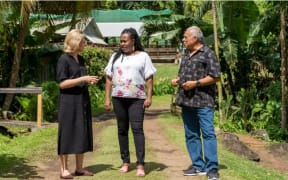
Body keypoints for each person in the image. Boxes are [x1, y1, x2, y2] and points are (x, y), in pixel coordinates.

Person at [104, 27, 156, 177]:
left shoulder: (143, 56)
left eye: (125, 41)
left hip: (137, 99)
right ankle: (125, 162)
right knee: (122, 130)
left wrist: (149, 97)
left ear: (133, 40)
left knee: (137, 129)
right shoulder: (114, 56)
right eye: (120, 41)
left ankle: (140, 164)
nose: (122, 44)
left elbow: (149, 78)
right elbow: (108, 78)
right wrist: (107, 98)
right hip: (118, 98)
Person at [171, 26, 221, 180]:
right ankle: (198, 165)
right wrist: (178, 80)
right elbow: (184, 74)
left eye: (186, 37)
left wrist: (196, 83)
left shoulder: (208, 53)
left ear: (196, 38)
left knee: (208, 134)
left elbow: (216, 77)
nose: (183, 39)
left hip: (204, 101)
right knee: (191, 134)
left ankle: (212, 168)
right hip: (187, 101)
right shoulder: (186, 55)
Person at [56, 29, 99, 179]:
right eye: (82, 41)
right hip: (68, 103)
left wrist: (89, 80)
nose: (85, 43)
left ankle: (79, 168)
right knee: (67, 133)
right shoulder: (64, 59)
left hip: (82, 100)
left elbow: (80, 78)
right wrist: (83, 79)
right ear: (74, 42)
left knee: (81, 132)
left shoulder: (80, 59)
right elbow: (62, 84)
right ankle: (64, 170)